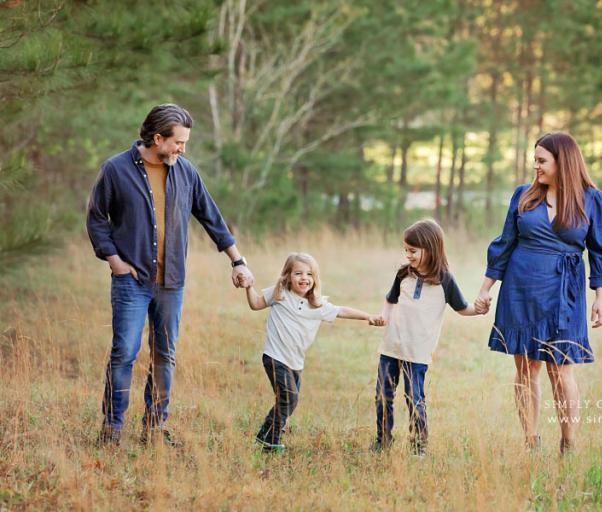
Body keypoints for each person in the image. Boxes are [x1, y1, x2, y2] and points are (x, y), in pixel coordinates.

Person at [86, 103, 254, 447]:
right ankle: (113, 428)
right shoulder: (116, 170)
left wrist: (237, 261)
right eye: (178, 142)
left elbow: (211, 217)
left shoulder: (186, 172)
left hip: (171, 281)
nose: (182, 149)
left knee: (165, 354)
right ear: (158, 138)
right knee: (124, 353)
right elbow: (96, 218)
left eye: (185, 143)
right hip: (131, 281)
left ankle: (155, 428)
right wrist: (115, 260)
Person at [474, 132, 602, 454]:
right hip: (521, 288)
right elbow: (504, 243)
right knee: (526, 367)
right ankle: (531, 441)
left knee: (561, 368)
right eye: (534, 160)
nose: (535, 166)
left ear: (562, 162)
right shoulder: (524, 195)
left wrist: (600, 297)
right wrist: (485, 290)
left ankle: (568, 443)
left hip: (564, 292)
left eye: (541, 160)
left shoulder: (591, 199)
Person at [241, 252, 380, 452]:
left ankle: (267, 435)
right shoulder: (279, 294)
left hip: (296, 362)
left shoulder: (318, 305)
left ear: (315, 279)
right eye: (298, 273)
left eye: (309, 274)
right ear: (287, 276)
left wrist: (368, 316)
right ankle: (271, 438)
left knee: (289, 401)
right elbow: (255, 303)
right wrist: (248, 287)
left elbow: (342, 311)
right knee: (289, 397)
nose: (304, 278)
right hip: (274, 356)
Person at [371, 219, 482, 458]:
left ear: (430, 249)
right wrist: (384, 316)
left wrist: (479, 309)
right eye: (406, 250)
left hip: (417, 352)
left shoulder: (445, 280)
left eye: (413, 251)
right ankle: (383, 441)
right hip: (391, 346)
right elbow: (390, 300)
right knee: (383, 395)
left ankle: (418, 445)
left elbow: (462, 308)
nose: (408, 255)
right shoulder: (403, 274)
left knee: (415, 397)